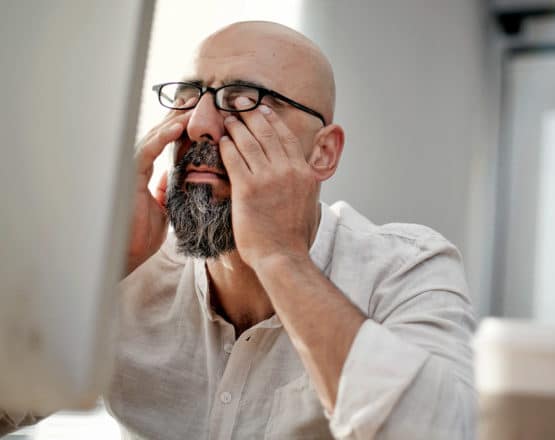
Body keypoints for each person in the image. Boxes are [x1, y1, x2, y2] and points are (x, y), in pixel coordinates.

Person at [0, 21, 475, 439]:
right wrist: (100, 270)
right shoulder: (131, 266)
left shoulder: (406, 268)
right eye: (188, 98)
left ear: (323, 152)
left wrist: (280, 257)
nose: (199, 124)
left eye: (245, 100)